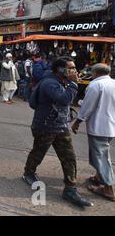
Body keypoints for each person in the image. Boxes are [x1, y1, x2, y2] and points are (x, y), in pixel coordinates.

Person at [23, 57, 93, 208]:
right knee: (38, 152)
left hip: (60, 126)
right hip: (45, 126)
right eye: (71, 68)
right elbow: (62, 100)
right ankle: (28, 172)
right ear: (60, 70)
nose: (74, 71)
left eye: (74, 68)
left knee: (69, 157)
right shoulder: (49, 83)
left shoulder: (62, 81)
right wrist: (74, 84)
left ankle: (70, 189)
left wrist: (71, 83)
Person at [72, 64, 115, 202]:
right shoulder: (113, 83)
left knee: (101, 156)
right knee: (101, 154)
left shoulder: (95, 85)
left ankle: (108, 188)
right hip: (110, 126)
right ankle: (99, 177)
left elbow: (87, 106)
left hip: (99, 127)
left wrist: (78, 121)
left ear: (95, 73)